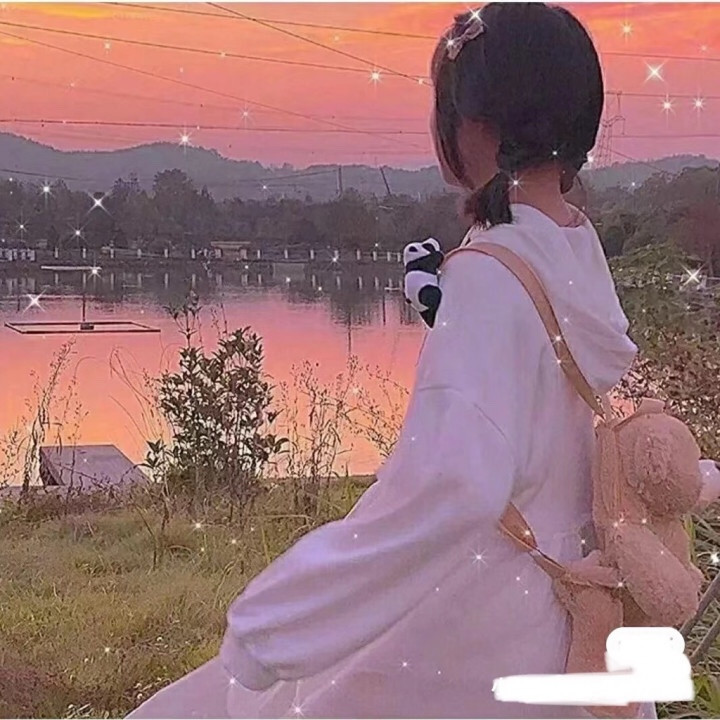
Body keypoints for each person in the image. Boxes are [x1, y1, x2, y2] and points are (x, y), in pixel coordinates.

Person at [128, 3, 645, 718]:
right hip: (572, 605)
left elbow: (453, 483)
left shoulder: (491, 273)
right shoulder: (574, 251)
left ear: (476, 125)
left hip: (486, 612)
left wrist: (278, 623)